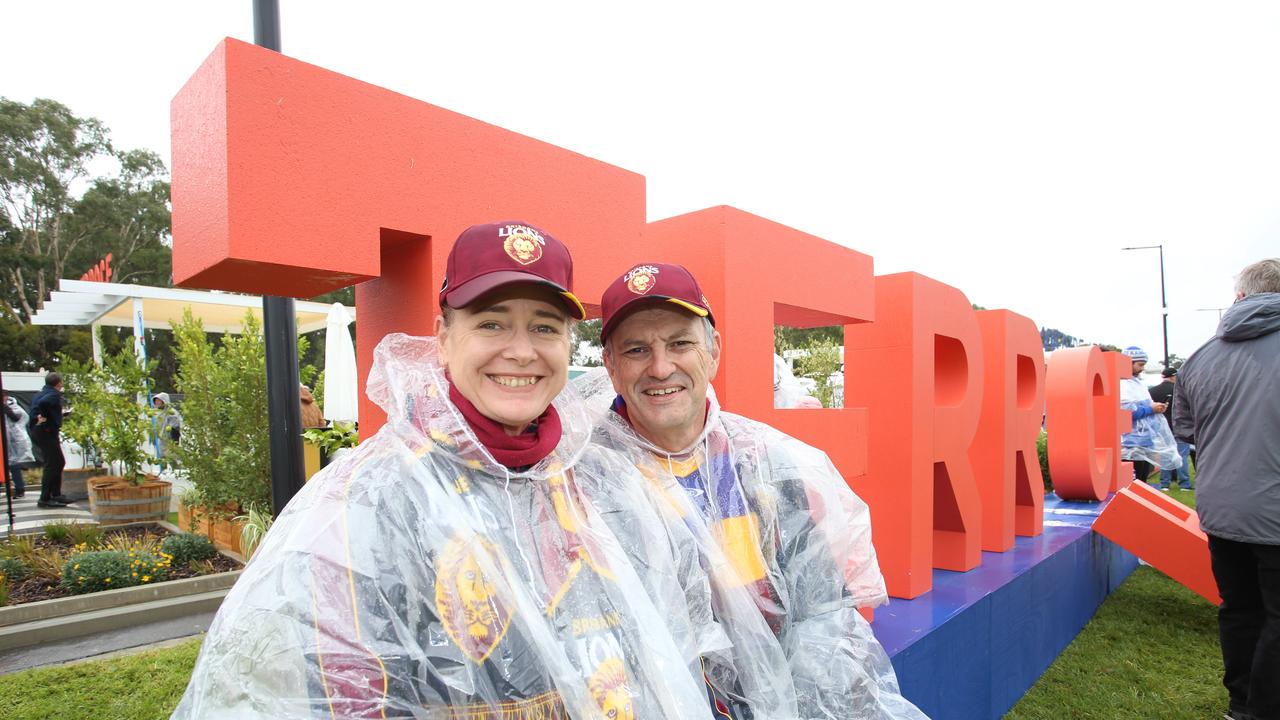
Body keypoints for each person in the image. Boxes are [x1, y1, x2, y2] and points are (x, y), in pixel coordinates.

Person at [173, 222, 726, 719]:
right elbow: (339, 695)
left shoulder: (604, 480)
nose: (521, 351)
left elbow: (665, 658)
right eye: (491, 324)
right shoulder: (366, 499)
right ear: (443, 337)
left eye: (543, 328)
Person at [581, 261, 926, 719]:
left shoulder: (767, 464)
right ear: (610, 364)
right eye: (637, 350)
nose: (661, 367)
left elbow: (822, 623)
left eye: (680, 343)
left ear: (713, 350)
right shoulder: (581, 479)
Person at [1174, 258, 1280, 720]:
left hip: (1221, 509)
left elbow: (1186, 427)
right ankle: (1261, 709)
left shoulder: (1200, 355)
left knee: (1238, 609)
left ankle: (1242, 705)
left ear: (1239, 297)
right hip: (1272, 511)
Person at [1118, 346, 1180, 485]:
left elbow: (1142, 406)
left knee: (1141, 484)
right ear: (1129, 363)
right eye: (1140, 365)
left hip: (1142, 442)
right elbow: (1126, 412)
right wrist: (1151, 409)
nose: (1142, 368)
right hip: (1129, 444)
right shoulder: (1123, 384)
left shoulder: (1136, 383)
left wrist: (1156, 408)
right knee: (1132, 486)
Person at [29, 372, 72, 508]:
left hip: (38, 430)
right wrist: (45, 419)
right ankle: (44, 498)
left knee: (57, 462)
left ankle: (56, 494)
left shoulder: (40, 393)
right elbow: (44, 403)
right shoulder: (53, 394)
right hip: (45, 430)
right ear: (59, 383)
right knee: (52, 463)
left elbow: (39, 406)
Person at [1148, 367, 1191, 490]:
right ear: (1173, 377)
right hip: (1179, 427)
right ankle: (1185, 484)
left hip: (1161, 428)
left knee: (1165, 455)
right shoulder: (1180, 390)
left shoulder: (1153, 391)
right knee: (1182, 455)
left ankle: (1164, 483)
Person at [3, 392, 34, 498]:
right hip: (7, 440)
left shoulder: (11, 406)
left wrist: (6, 409)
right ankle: (17, 488)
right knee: (11, 465)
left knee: (13, 464)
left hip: (10, 441)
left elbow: (17, 418)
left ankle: (19, 489)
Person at [152, 392, 183, 469]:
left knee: (172, 457)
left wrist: (173, 441)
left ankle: (178, 472)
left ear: (164, 401)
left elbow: (175, 427)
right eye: (156, 401)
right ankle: (163, 473)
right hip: (161, 439)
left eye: (159, 401)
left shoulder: (171, 412)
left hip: (170, 440)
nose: (157, 403)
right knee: (162, 458)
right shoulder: (158, 413)